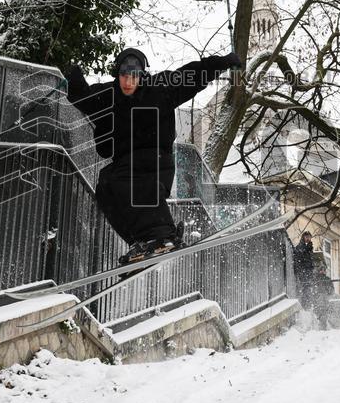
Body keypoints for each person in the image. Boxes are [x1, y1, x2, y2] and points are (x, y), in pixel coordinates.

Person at [65, 47, 241, 265]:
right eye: (124, 77)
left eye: (134, 77)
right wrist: (71, 72)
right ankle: (140, 242)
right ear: (117, 74)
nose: (128, 83)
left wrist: (223, 62)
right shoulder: (108, 96)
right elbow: (82, 96)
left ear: (142, 75)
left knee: (124, 176)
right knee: (105, 188)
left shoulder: (160, 88)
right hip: (126, 164)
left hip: (157, 162)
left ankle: (163, 233)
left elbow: (194, 74)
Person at [293, 232, 316, 308]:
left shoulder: (309, 247)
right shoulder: (300, 247)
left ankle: (307, 305)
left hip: (308, 272)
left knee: (307, 288)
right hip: (303, 272)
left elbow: (310, 259)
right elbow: (298, 260)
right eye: (306, 237)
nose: (308, 239)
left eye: (309, 237)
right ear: (303, 237)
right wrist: (301, 270)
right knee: (304, 288)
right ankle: (304, 305)